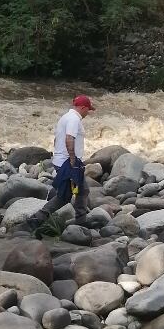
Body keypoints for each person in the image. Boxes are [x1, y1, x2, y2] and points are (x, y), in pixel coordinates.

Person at [26, 94, 95, 230]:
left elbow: (57, 139)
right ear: (82, 107)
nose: (89, 112)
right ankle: (37, 218)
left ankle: (81, 221)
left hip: (63, 160)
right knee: (64, 196)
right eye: (88, 109)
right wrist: (73, 160)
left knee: (82, 190)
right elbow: (69, 139)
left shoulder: (65, 118)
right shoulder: (74, 119)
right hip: (68, 162)